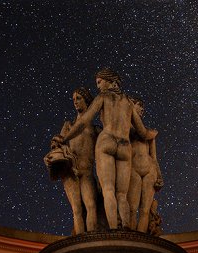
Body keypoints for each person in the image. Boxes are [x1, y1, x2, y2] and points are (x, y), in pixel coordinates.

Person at [53, 68, 157, 230]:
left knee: (108, 189)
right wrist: (154, 134)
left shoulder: (102, 97)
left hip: (107, 141)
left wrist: (64, 138)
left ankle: (114, 229)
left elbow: (83, 122)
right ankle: (125, 229)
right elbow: (143, 132)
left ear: (110, 81)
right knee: (121, 194)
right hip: (124, 146)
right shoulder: (128, 103)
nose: (98, 87)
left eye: (99, 82)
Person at [45, 87, 99, 234]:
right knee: (77, 209)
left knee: (91, 205)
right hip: (71, 172)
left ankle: (93, 240)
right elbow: (58, 143)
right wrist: (55, 143)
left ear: (87, 101)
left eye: (79, 98)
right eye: (74, 99)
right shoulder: (68, 125)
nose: (75, 102)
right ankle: (81, 240)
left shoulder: (95, 129)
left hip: (87, 171)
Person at [126, 96, 163, 232]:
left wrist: (159, 175)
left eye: (142, 107)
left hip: (150, 170)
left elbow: (154, 156)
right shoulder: (125, 127)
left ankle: (142, 238)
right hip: (133, 168)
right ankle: (130, 238)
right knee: (132, 208)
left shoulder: (150, 133)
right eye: (139, 105)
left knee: (145, 210)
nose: (142, 109)